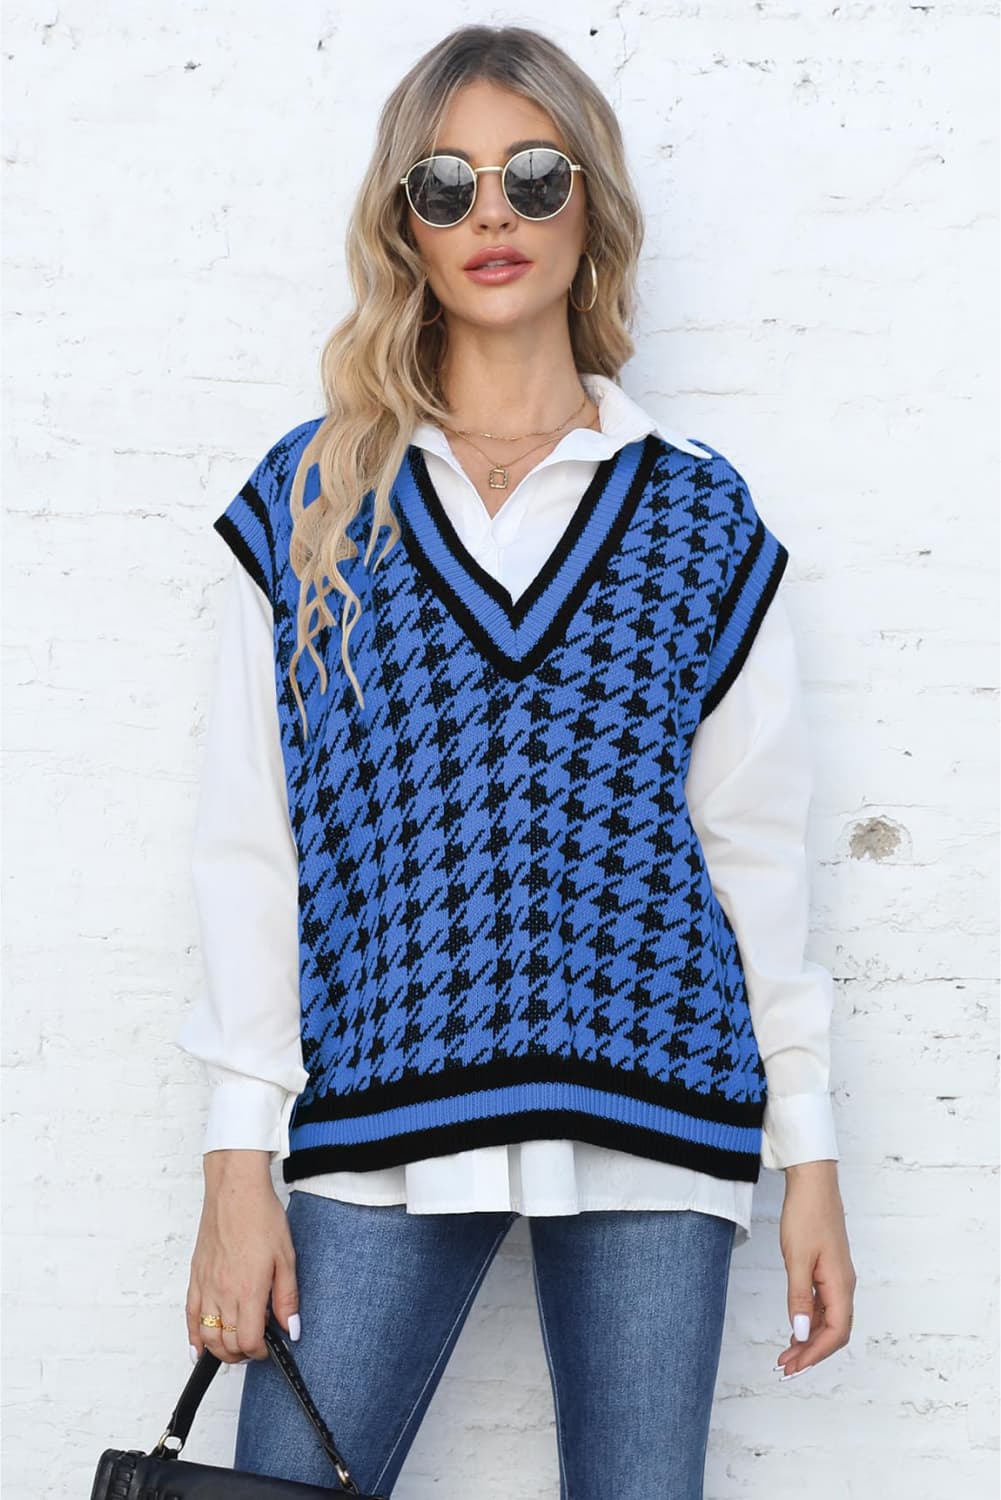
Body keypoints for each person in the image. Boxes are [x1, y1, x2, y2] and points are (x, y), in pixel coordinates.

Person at [175, 23, 856, 1498]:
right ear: (404, 226)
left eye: (534, 176)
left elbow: (753, 850)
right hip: (379, 1112)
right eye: (448, 184)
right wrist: (239, 1158)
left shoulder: (697, 515)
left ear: (589, 205)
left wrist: (808, 1154)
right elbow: (251, 848)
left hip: (655, 1105)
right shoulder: (309, 503)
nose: (493, 213)